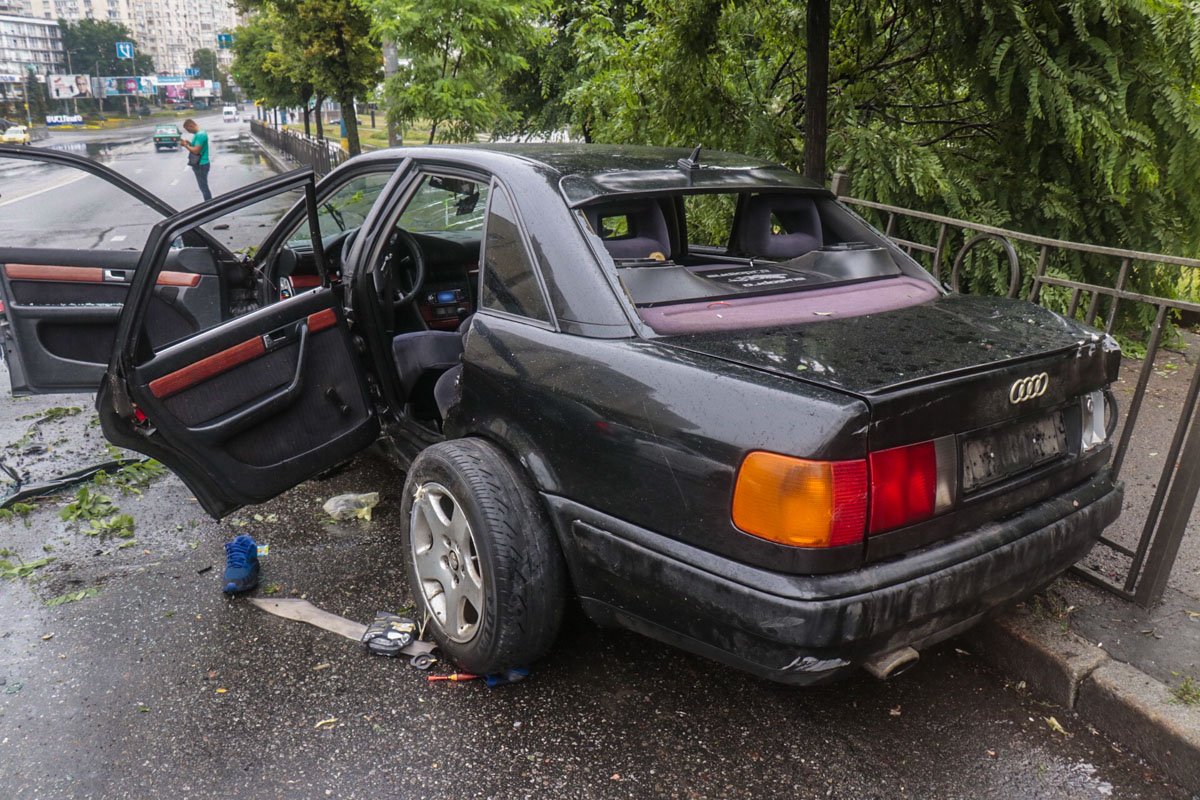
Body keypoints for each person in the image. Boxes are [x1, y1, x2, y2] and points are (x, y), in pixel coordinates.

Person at [181, 118, 212, 201]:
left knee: (204, 187)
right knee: (203, 187)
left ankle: (209, 205)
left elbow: (196, 150)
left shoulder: (200, 135)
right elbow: (197, 147)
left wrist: (185, 146)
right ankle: (209, 204)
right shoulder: (199, 133)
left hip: (201, 164)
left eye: (188, 129)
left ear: (191, 126)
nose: (189, 132)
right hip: (201, 163)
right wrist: (189, 143)